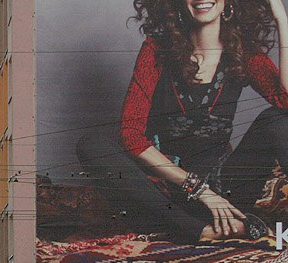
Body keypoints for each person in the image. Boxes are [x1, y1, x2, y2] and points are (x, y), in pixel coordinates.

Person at [77, 0, 288, 244]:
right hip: (164, 196)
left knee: (278, 119)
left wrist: (281, 20)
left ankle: (213, 226)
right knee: (91, 144)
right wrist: (198, 190)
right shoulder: (157, 50)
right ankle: (200, 231)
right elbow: (131, 135)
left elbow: (285, 101)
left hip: (225, 195)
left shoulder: (242, 53)